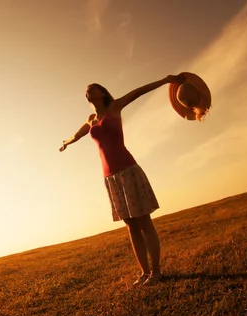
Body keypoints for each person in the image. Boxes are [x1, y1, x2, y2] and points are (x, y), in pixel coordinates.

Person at [59, 74, 185, 285]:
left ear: (102, 93)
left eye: (93, 87)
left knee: (144, 222)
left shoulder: (114, 108)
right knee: (131, 226)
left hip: (127, 170)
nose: (88, 90)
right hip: (111, 177)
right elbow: (78, 134)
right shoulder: (91, 120)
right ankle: (145, 272)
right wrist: (67, 142)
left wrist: (165, 80)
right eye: (86, 89)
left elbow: (138, 92)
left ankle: (156, 272)